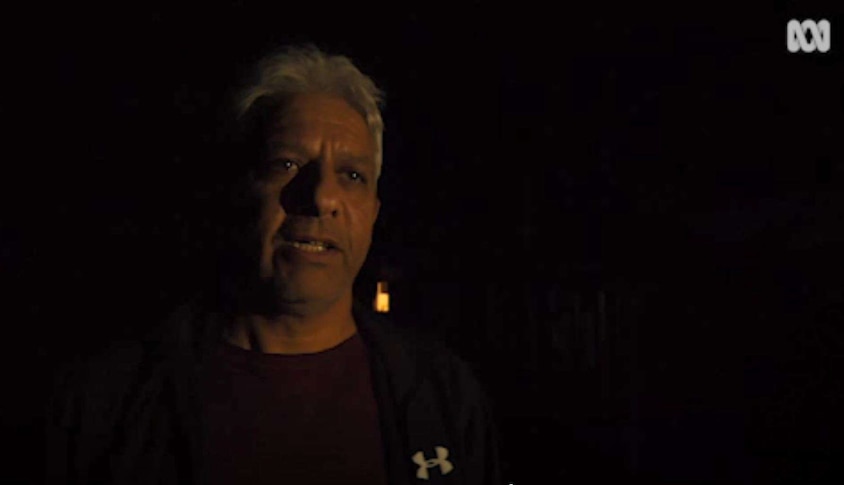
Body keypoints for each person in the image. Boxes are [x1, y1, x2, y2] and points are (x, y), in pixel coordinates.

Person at [44, 44, 502, 485]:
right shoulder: (110, 405)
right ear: (237, 189)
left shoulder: (444, 398)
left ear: (374, 213)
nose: (321, 197)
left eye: (353, 175)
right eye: (286, 164)